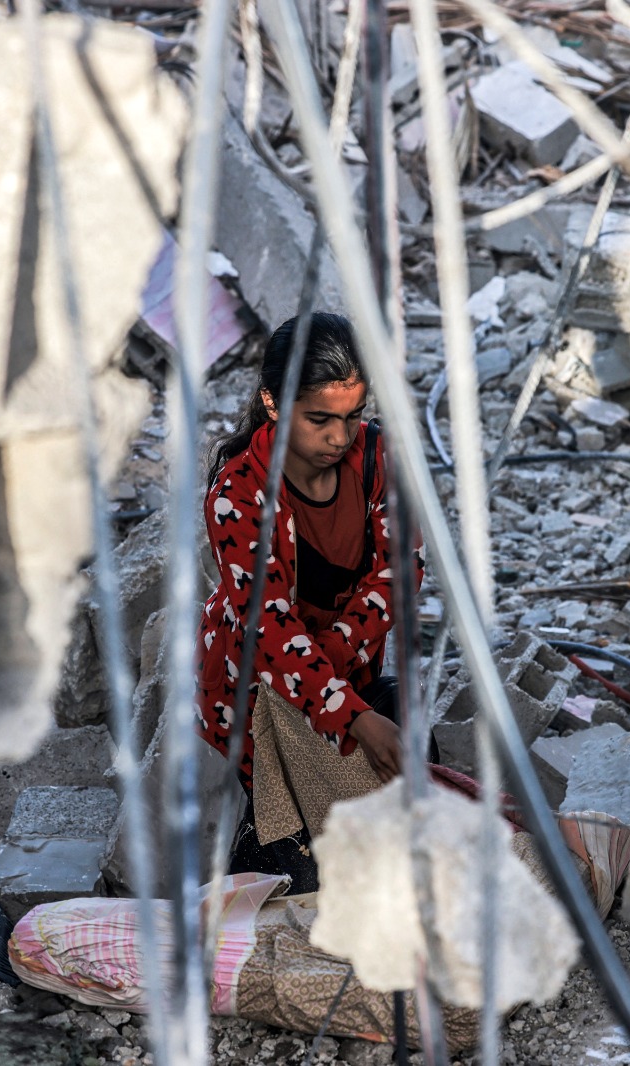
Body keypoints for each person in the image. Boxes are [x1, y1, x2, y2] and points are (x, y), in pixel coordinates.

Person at [196, 312, 422, 892]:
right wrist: (352, 718)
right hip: (258, 698)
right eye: (319, 419)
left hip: (343, 674)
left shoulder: (377, 460)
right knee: (297, 866)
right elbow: (266, 630)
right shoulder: (239, 494)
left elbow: (400, 571)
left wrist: (340, 678)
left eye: (352, 418)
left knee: (407, 780)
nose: (339, 438)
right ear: (273, 404)